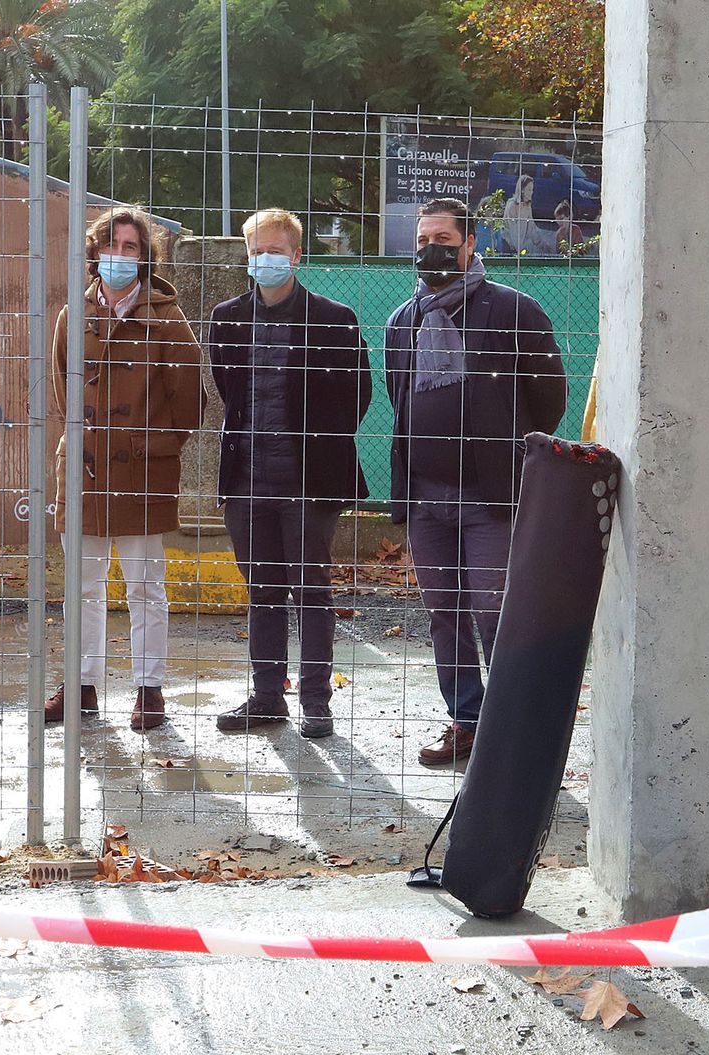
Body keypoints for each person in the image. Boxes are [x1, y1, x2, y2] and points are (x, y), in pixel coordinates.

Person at [384, 198, 566, 767]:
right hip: (425, 499)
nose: (430, 251)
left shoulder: (513, 310)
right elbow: (399, 396)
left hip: (491, 497)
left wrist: (506, 452)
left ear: (469, 244)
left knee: (495, 611)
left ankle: (513, 730)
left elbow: (549, 400)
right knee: (444, 611)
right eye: (421, 242)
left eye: (442, 239)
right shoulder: (403, 320)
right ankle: (466, 719)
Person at [207, 209, 372, 739]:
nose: (265, 260)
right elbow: (227, 390)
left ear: (297, 255)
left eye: (275, 251)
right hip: (247, 482)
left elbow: (357, 395)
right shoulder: (227, 317)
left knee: (312, 590)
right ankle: (267, 696)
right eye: (256, 251)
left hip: (309, 482)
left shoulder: (334, 318)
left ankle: (317, 702)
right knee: (262, 590)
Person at [45, 207, 205, 732]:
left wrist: (146, 447)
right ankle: (82, 684)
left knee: (144, 586)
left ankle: (148, 689)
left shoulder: (167, 318)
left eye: (131, 247)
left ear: (144, 257)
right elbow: (63, 391)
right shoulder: (73, 314)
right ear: (95, 252)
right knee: (82, 585)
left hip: (142, 472)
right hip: (85, 470)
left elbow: (189, 406)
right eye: (110, 245)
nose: (118, 255)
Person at [501, 174, 537, 255]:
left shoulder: (527, 206)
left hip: (519, 249)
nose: (531, 192)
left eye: (532, 190)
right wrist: (517, 250)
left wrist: (543, 245)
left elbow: (532, 228)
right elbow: (511, 231)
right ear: (522, 190)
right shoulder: (512, 206)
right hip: (509, 248)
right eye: (529, 189)